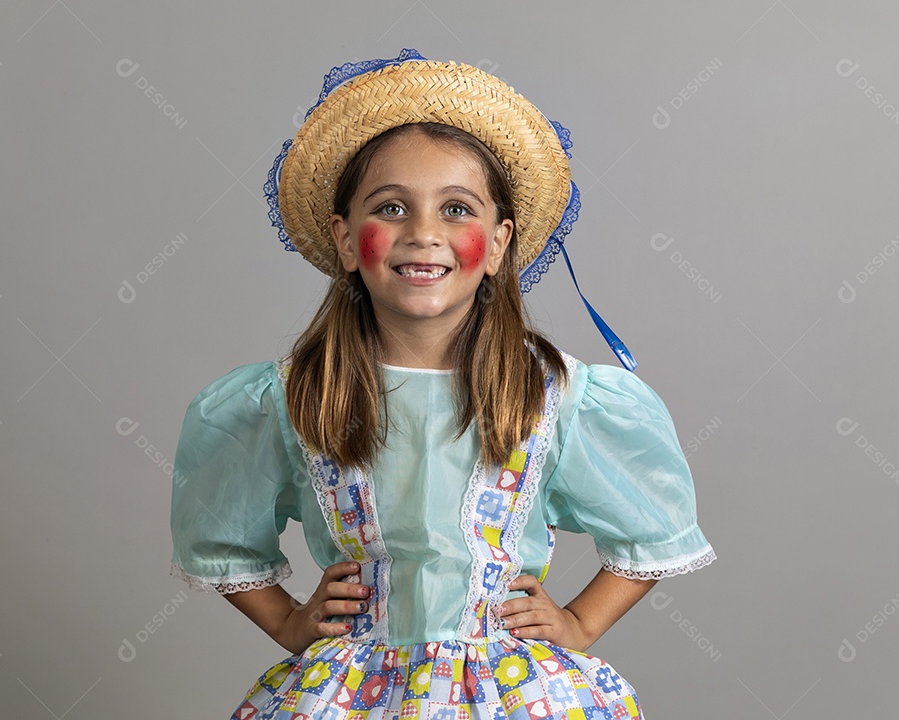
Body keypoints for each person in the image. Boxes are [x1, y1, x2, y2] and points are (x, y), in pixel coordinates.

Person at [170, 49, 716, 720]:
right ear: (346, 241)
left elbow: (652, 529)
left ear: (496, 246)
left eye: (456, 209)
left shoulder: (553, 395)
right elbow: (221, 536)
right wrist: (288, 624)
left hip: (512, 692)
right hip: (352, 694)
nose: (423, 234)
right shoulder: (293, 396)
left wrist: (579, 623)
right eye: (391, 208)